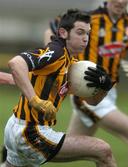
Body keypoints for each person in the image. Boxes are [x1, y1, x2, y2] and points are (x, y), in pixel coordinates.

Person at [1, 9, 117, 167]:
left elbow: (92, 102)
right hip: (31, 132)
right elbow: (16, 63)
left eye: (88, 33)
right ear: (63, 33)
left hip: (20, 129)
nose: (85, 38)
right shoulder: (56, 52)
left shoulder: (71, 62)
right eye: (80, 32)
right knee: (103, 150)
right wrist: (35, 100)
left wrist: (104, 87)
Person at [44, 1, 128, 167]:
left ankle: (18, 153)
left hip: (108, 93)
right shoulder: (89, 19)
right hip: (86, 93)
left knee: (61, 151)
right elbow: (51, 29)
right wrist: (54, 60)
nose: (121, 1)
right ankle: (23, 148)